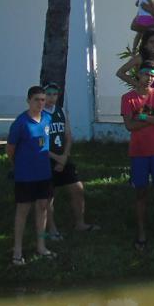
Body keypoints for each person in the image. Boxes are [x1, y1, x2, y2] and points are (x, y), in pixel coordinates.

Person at [121, 61, 154, 249]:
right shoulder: (128, 98)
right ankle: (141, 233)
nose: (149, 78)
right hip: (139, 152)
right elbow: (129, 126)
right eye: (146, 74)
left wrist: (144, 117)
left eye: (152, 75)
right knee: (140, 194)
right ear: (138, 74)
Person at [7, 86, 56, 265]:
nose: (40, 103)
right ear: (28, 101)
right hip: (25, 175)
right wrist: (18, 165)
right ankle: (17, 250)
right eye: (37, 99)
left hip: (44, 173)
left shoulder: (47, 119)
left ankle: (41, 246)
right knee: (23, 211)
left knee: (42, 207)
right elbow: (10, 149)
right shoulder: (20, 123)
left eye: (43, 99)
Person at [42, 83, 96, 237]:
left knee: (77, 188)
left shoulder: (60, 111)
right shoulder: (39, 114)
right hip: (46, 158)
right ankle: (52, 229)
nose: (51, 97)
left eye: (54, 94)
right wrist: (57, 158)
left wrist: (64, 157)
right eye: (48, 94)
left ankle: (80, 223)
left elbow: (68, 135)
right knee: (48, 196)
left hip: (63, 157)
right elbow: (38, 142)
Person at [117, 33, 154, 107]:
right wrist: (137, 84)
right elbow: (120, 73)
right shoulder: (140, 58)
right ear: (145, 44)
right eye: (151, 42)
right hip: (146, 95)